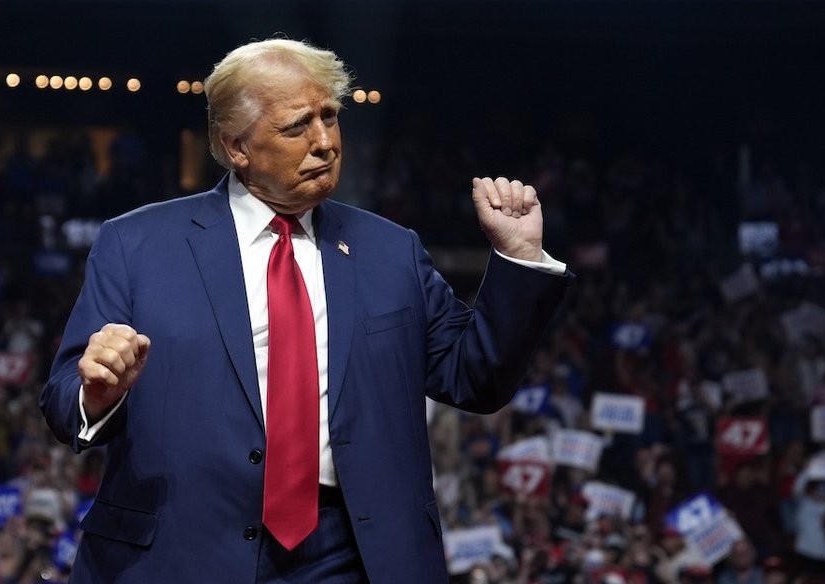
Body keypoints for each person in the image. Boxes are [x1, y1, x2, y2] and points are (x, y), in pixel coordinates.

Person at [40, 38, 572, 582]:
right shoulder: (136, 244)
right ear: (237, 146)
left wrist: (519, 259)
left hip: (353, 554)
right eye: (298, 126)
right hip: (184, 549)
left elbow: (474, 377)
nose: (325, 142)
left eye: (331, 117)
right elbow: (63, 401)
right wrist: (98, 391)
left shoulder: (391, 251)